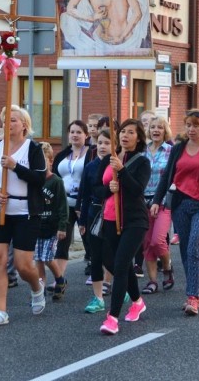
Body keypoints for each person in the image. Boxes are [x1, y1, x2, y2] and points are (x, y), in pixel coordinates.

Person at [0, 105, 48, 328]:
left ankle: (36, 287)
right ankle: (1, 311)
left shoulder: (33, 149)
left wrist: (15, 166)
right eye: (5, 120)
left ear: (24, 125)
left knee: (22, 264)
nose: (8, 124)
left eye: (13, 120)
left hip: (25, 212)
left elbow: (39, 179)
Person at [151, 110, 199, 315]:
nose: (191, 129)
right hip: (181, 205)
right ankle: (195, 292)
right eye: (188, 125)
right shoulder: (178, 149)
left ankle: (192, 297)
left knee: (195, 246)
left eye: (196, 125)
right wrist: (156, 200)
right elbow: (167, 176)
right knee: (186, 251)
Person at [98, 119, 152, 335]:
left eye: (131, 132)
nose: (125, 135)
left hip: (134, 220)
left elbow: (138, 189)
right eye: (123, 132)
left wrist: (121, 172)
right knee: (112, 262)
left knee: (121, 264)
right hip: (110, 218)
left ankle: (112, 318)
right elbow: (96, 188)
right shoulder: (108, 159)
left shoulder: (141, 162)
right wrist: (108, 189)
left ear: (138, 138)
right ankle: (138, 301)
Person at [52, 120, 97, 298]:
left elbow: (93, 177)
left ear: (86, 135)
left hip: (84, 203)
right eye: (72, 132)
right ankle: (59, 278)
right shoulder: (63, 155)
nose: (75, 135)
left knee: (89, 239)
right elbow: (54, 177)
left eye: (79, 132)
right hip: (64, 205)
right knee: (62, 239)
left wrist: (82, 203)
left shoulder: (91, 154)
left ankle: (97, 271)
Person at [78, 128, 112, 313]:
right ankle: (98, 297)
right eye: (100, 143)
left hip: (113, 214)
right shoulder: (90, 166)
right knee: (96, 256)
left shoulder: (116, 165)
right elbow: (84, 195)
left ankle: (122, 288)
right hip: (94, 213)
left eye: (107, 143)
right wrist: (82, 221)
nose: (102, 146)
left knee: (112, 255)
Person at [140, 116, 175, 295]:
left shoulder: (171, 150)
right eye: (153, 127)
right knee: (147, 243)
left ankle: (167, 267)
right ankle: (152, 281)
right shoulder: (142, 151)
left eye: (159, 127)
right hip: (142, 201)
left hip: (162, 200)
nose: (155, 130)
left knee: (157, 240)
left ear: (165, 131)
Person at [34, 142, 68, 299]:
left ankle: (60, 279)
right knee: (38, 259)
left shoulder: (56, 181)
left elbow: (62, 205)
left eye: (43, 160)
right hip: (36, 225)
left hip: (52, 226)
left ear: (50, 161)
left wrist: (62, 226)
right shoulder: (33, 181)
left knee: (48, 257)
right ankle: (40, 289)